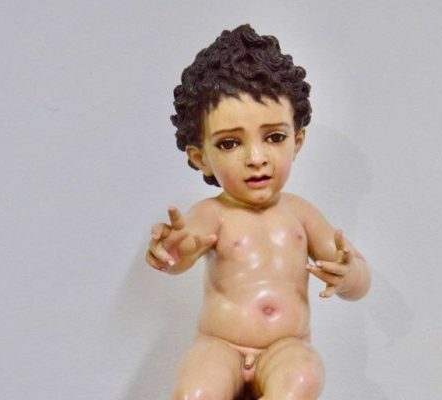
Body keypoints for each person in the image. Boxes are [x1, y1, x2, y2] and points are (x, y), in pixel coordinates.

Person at [145, 24, 371, 400]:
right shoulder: (213, 214)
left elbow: (358, 275)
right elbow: (184, 249)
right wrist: (170, 250)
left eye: (274, 137)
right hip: (221, 345)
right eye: (230, 143)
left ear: (297, 141)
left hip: (285, 347)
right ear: (200, 158)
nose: (256, 158)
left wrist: (349, 275)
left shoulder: (301, 214)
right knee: (195, 392)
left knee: (302, 376)